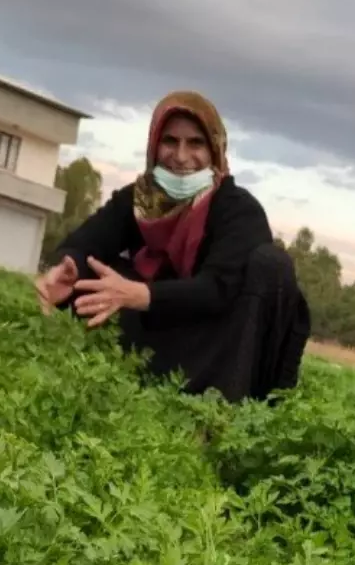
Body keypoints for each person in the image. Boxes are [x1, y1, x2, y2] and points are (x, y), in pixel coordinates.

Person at [36, 91, 309, 402]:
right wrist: (68, 266)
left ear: (215, 150)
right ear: (154, 145)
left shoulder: (239, 210)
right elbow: (89, 240)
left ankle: (226, 403)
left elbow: (217, 288)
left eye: (195, 143)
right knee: (100, 273)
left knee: (270, 264)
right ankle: (129, 376)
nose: (180, 157)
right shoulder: (139, 199)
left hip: (225, 343)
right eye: (170, 141)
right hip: (166, 326)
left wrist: (141, 295)